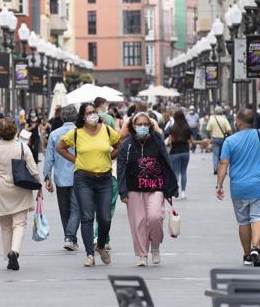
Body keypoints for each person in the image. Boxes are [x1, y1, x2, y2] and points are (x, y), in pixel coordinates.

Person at [57, 102, 121, 267]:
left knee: (105, 217)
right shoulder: (76, 133)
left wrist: (110, 157)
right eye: (89, 113)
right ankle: (90, 254)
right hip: (83, 179)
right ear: (82, 117)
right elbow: (60, 147)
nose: (93, 115)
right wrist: (75, 159)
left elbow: (119, 144)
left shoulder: (106, 130)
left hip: (105, 178)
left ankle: (99, 245)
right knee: (87, 217)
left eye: (94, 111)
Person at [216, 108, 260, 267]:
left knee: (243, 221)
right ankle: (256, 247)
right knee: (258, 217)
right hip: (259, 185)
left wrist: (219, 185)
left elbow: (223, 163)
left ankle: (247, 255)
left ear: (239, 122)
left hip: (239, 187)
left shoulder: (230, 141)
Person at [117, 112, 178, 266]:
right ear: (133, 126)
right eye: (139, 124)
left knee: (155, 217)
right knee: (139, 222)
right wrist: (122, 191)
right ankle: (142, 255)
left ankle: (155, 246)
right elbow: (121, 168)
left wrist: (170, 187)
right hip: (134, 189)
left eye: (145, 124)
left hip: (156, 187)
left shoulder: (157, 141)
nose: (142, 127)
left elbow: (166, 162)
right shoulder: (127, 144)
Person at [0, 118, 40, 271]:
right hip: (20, 188)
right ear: (15, 131)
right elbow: (34, 170)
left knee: (5, 225)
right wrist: (39, 186)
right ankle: (14, 252)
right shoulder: (22, 148)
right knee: (19, 223)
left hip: (1, 188)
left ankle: (7, 255)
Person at [42, 105, 80, 251]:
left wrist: (47, 178)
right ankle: (70, 237)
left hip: (60, 177)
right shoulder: (80, 133)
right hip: (79, 175)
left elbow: (49, 158)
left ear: (62, 117)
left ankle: (69, 237)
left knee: (64, 210)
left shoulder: (54, 134)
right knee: (77, 208)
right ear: (76, 117)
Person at [168, 110, 193, 199]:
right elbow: (192, 142)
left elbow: (171, 141)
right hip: (185, 151)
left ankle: (176, 191)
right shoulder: (187, 127)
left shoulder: (172, 128)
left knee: (176, 172)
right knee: (183, 172)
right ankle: (183, 192)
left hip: (174, 152)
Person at [207, 106, 233, 175]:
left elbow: (208, 129)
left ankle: (215, 168)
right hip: (223, 139)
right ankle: (223, 169)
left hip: (214, 138)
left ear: (215, 112)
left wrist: (210, 136)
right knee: (223, 154)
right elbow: (229, 130)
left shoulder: (212, 119)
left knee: (215, 154)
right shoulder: (224, 119)